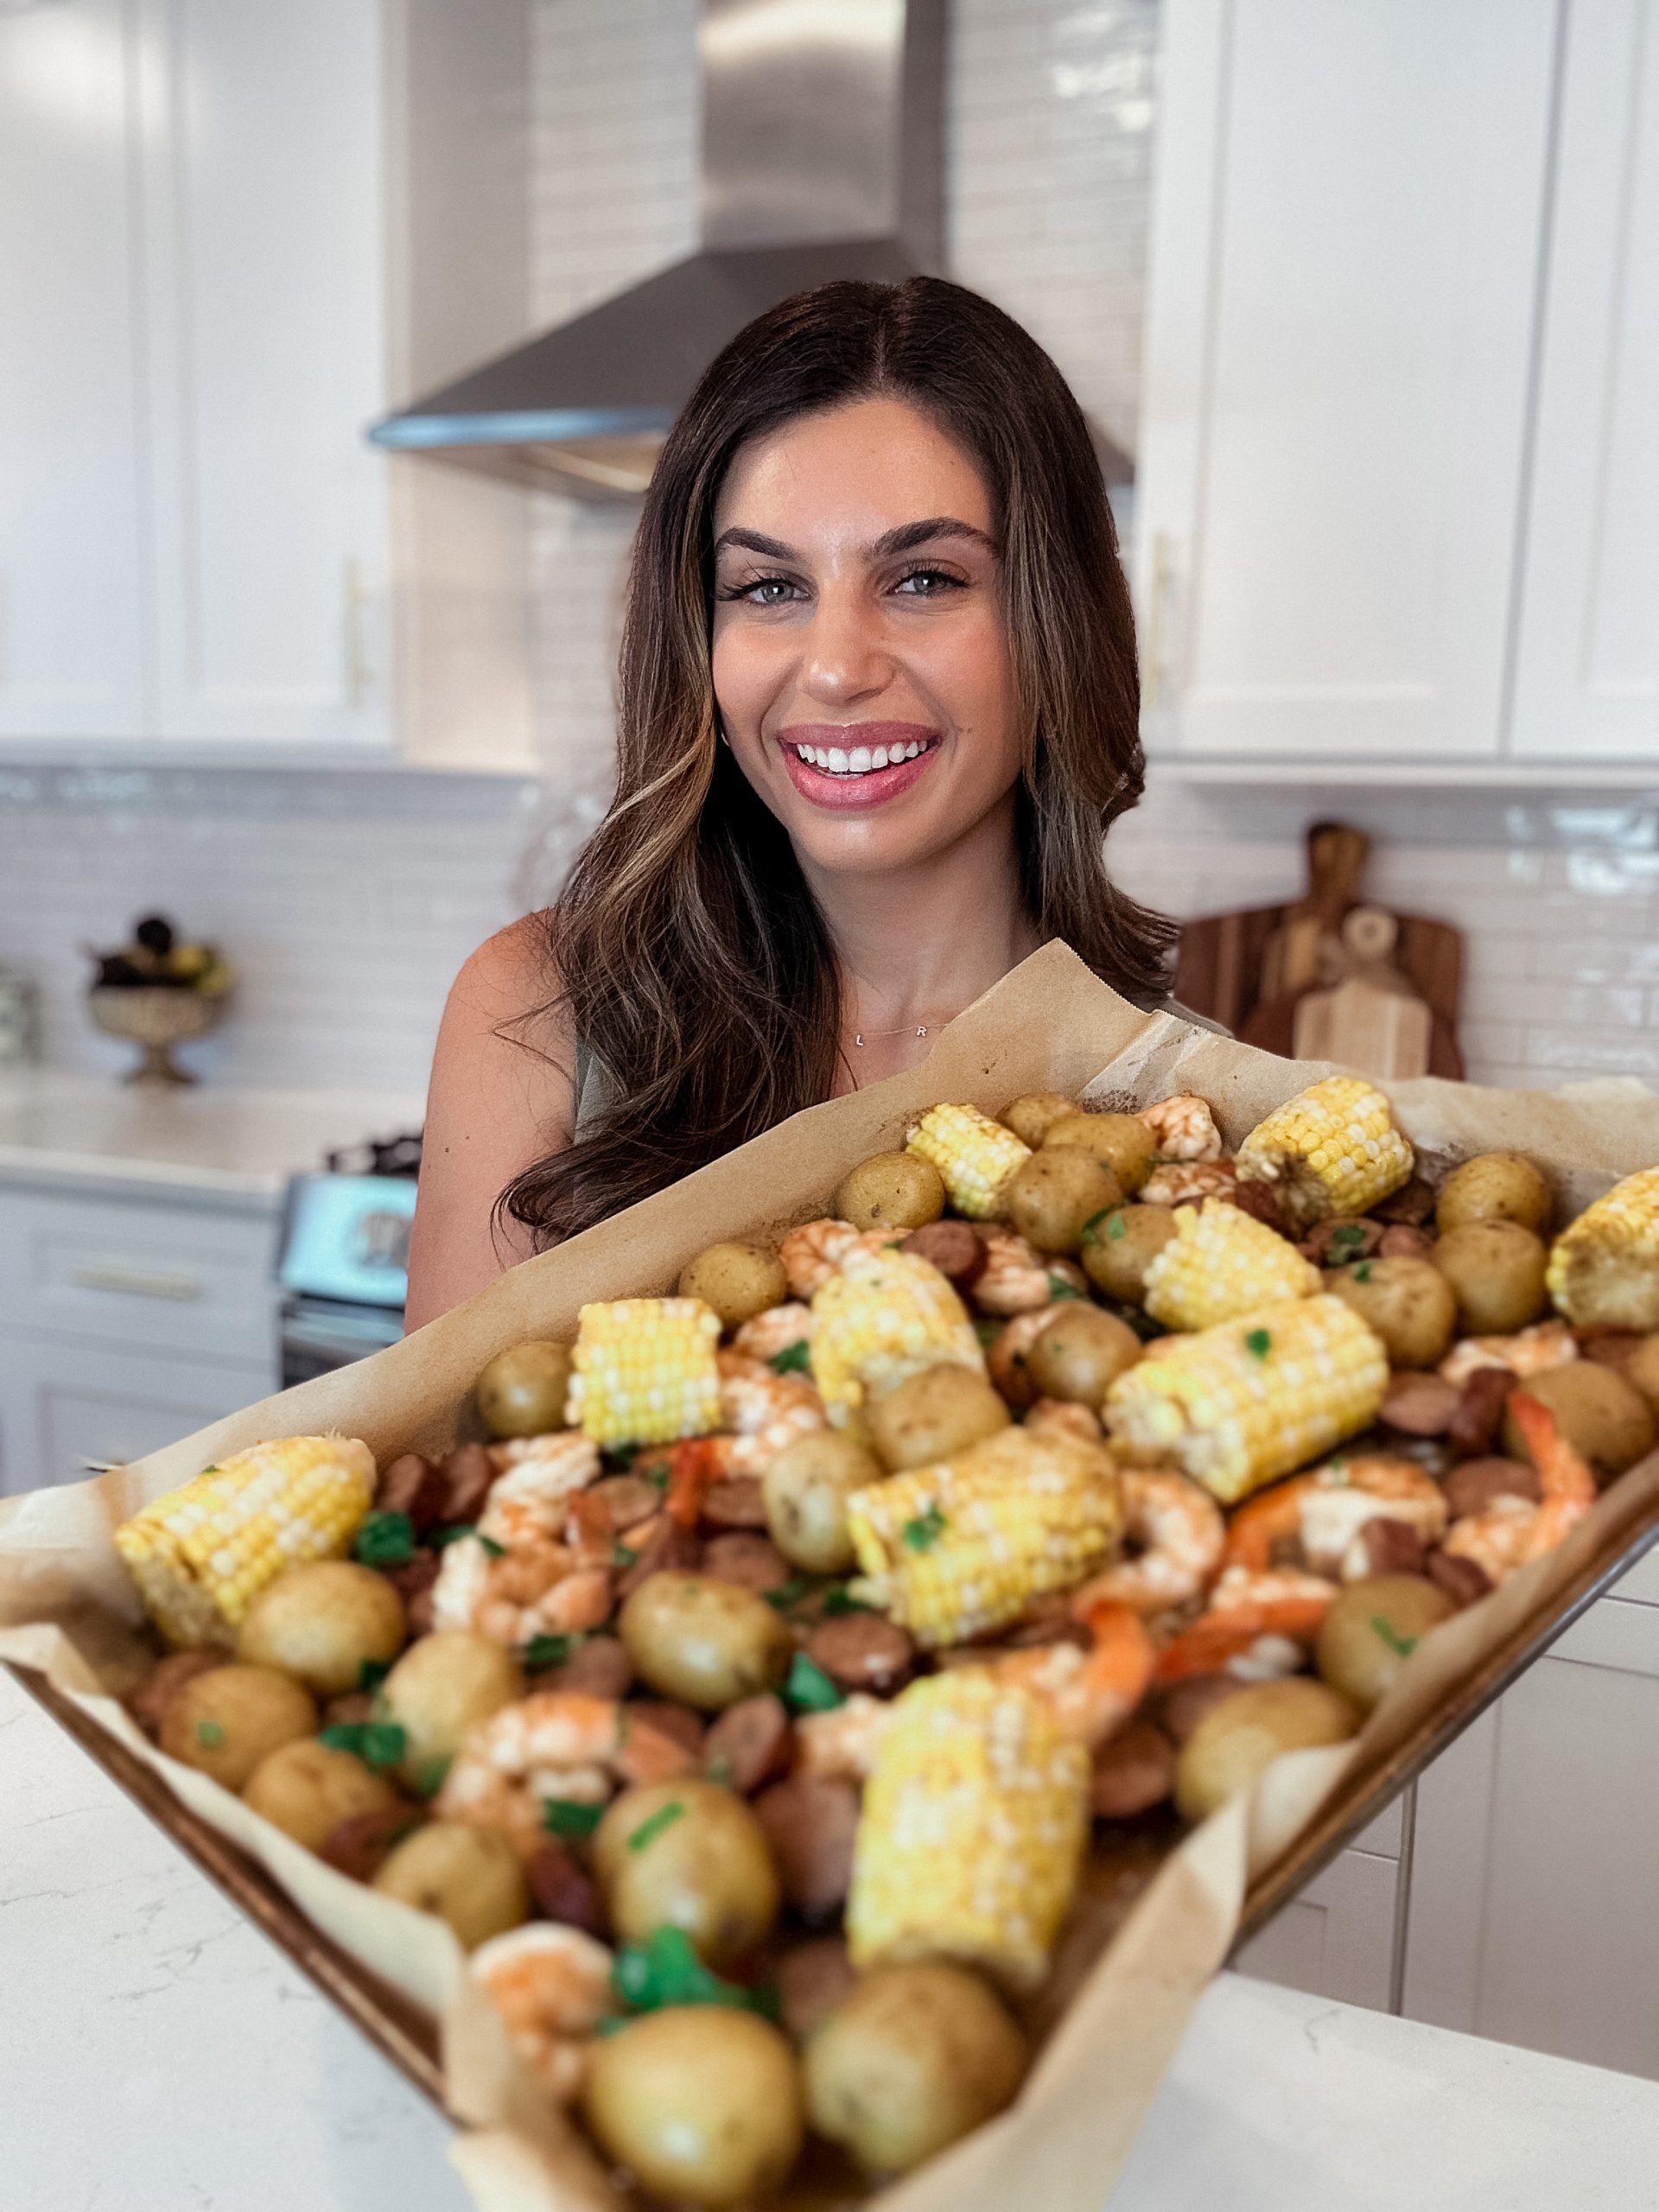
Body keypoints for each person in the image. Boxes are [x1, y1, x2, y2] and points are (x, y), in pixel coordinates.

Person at [406, 275, 1176, 1329]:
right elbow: (448, 1469)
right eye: (769, 588)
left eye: (924, 579)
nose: (834, 669)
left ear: (1055, 620)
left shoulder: (1170, 1102)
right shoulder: (541, 1015)